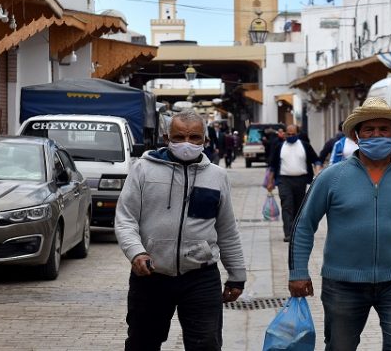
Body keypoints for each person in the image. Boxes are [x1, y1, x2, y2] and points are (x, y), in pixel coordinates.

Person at [288, 97, 391, 351]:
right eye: (369, 129)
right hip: (342, 284)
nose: (376, 135)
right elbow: (304, 225)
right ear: (357, 136)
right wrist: (298, 272)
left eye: (384, 129)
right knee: (340, 347)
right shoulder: (332, 178)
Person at [114, 109, 246, 351]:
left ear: (205, 140)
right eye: (179, 137)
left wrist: (237, 275)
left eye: (194, 137)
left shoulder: (217, 176)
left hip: (201, 277)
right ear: (167, 139)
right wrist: (136, 252)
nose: (187, 143)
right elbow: (125, 219)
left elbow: (227, 229)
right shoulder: (143, 169)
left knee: (206, 344)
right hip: (151, 275)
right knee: (142, 344)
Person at [266, 124, 321, 242]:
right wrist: (270, 182)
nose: (291, 136)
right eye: (288, 134)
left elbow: (316, 160)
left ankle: (296, 232)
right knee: (287, 205)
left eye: (293, 134)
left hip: (301, 180)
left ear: (297, 134)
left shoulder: (304, 146)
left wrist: (317, 174)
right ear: (285, 134)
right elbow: (272, 166)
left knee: (299, 206)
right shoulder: (280, 147)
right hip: (284, 180)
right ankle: (288, 233)